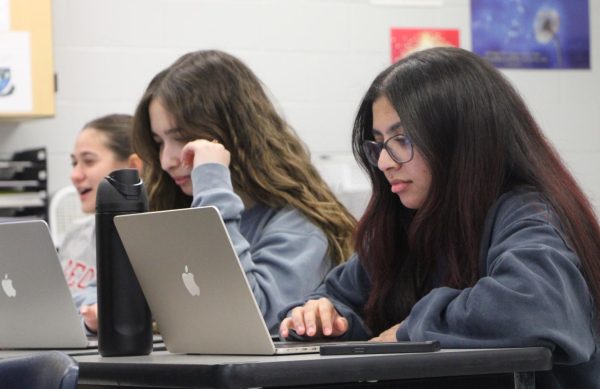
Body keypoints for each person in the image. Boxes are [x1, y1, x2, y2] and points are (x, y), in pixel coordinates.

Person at [279, 47, 600, 387]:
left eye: (401, 139)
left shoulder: (529, 213)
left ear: (460, 140)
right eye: (378, 143)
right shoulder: (408, 223)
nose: (385, 162)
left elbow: (534, 304)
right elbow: (339, 296)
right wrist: (322, 316)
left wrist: (409, 330)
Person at [131, 50, 356, 333]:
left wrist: (212, 181)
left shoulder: (301, 225)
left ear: (233, 133)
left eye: (182, 138)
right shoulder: (178, 203)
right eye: (159, 141)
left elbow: (250, 319)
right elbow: (104, 287)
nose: (167, 160)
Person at [60, 113, 141, 332]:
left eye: (88, 161)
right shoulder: (75, 234)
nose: (75, 174)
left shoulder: (145, 239)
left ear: (132, 167)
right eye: (74, 162)